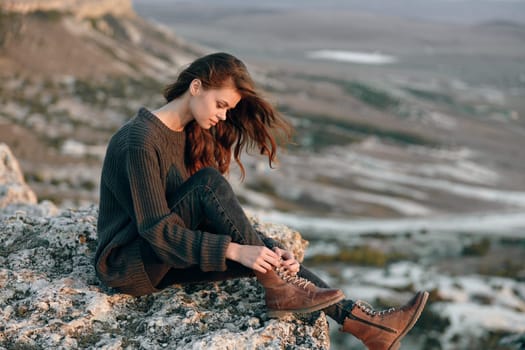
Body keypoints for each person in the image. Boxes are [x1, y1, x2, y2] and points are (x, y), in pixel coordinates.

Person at [94, 52, 428, 350]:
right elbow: (157, 230)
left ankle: (367, 326)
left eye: (229, 110)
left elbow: (211, 217)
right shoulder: (139, 140)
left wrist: (267, 247)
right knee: (209, 184)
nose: (224, 117)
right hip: (129, 266)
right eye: (221, 105)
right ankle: (286, 290)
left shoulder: (185, 133)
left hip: (164, 257)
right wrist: (237, 250)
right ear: (196, 87)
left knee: (265, 257)